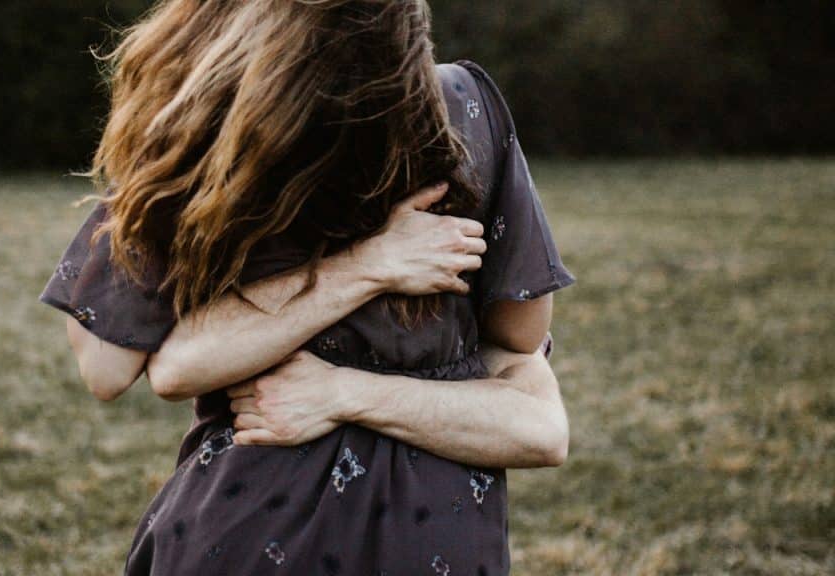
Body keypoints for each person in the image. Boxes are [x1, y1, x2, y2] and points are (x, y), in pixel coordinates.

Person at [38, 1, 576, 574]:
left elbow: (106, 366)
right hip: (430, 535)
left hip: (245, 527)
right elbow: (520, 337)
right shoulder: (464, 110)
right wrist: (372, 267)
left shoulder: (219, 127)